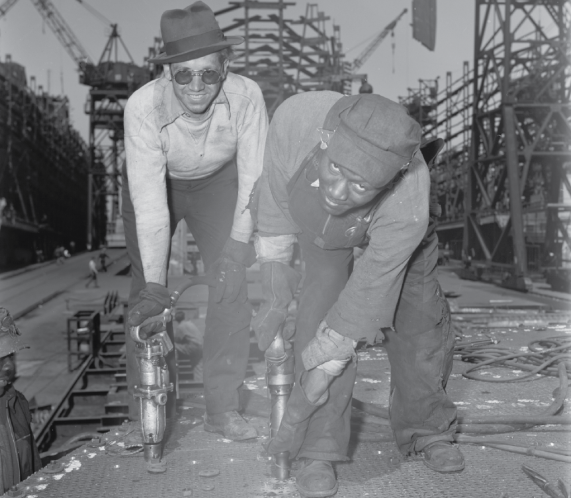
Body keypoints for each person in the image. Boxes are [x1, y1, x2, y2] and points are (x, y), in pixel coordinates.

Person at [251, 92, 462, 498]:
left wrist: (311, 387)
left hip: (395, 242)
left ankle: (427, 429)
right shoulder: (295, 121)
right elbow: (276, 210)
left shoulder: (408, 200)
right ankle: (318, 451)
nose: (339, 191)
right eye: (335, 171)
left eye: (360, 185)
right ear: (325, 140)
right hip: (323, 230)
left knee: (416, 318)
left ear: (388, 180)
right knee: (319, 308)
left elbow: (359, 309)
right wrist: (275, 295)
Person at [122, 1, 268, 440]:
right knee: (146, 298)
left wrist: (238, 247)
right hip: (159, 183)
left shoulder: (247, 97)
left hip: (219, 184)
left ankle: (222, 408)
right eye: (184, 74)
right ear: (167, 74)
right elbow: (150, 208)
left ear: (226, 67)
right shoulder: (142, 108)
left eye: (209, 72)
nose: (197, 85)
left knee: (231, 285)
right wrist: (154, 287)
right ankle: (146, 412)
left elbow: (254, 178)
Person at [0, 308, 41, 493]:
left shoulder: (17, 403)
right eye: (0, 358)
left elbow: (34, 469)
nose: (8, 366)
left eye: (10, 355)